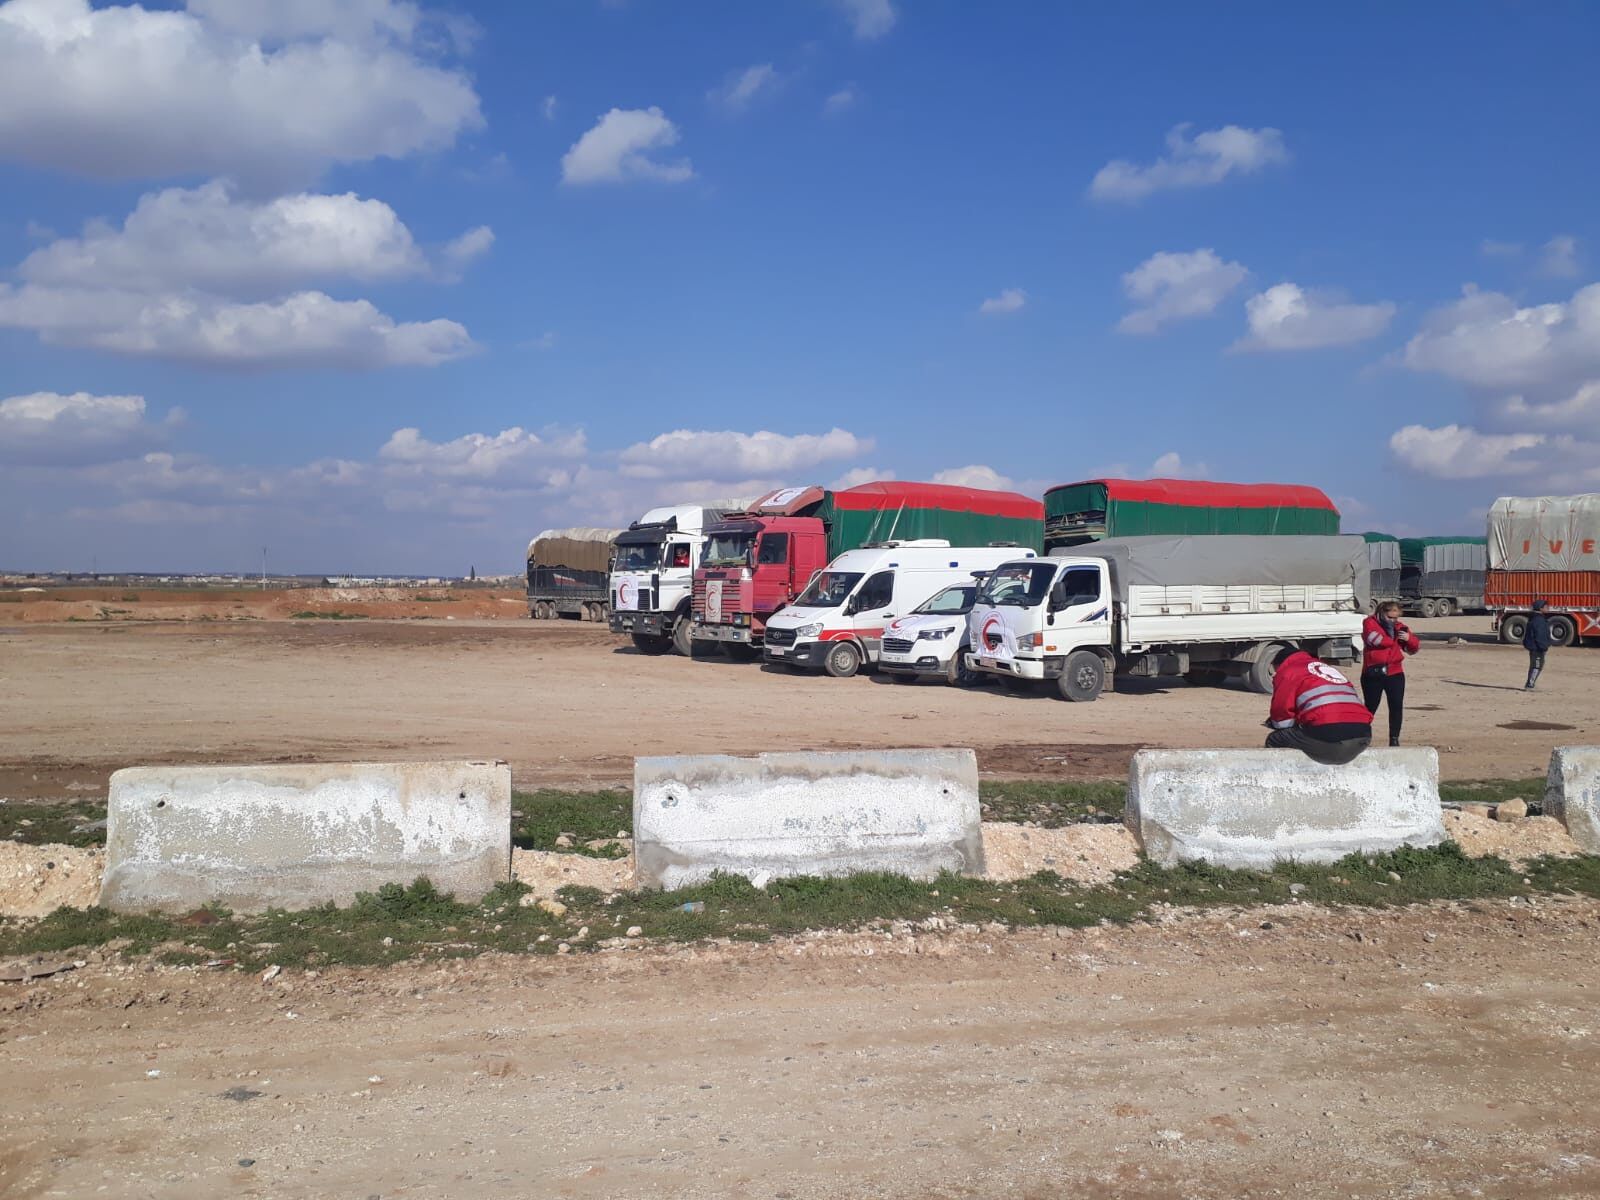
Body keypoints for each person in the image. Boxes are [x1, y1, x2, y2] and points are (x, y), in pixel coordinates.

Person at [1264, 646, 1374, 764]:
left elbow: (1282, 716)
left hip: (1331, 734)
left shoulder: (1287, 672)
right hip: (1364, 734)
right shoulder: (1326, 668)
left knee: (1276, 739)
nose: (1275, 673)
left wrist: (1277, 724)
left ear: (1280, 664)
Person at [1361, 601, 1418, 747]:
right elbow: (1376, 640)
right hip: (1373, 673)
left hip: (1395, 673)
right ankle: (1362, 737)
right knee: (1370, 707)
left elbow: (1413, 648)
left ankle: (1394, 739)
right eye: (1389, 617)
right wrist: (1395, 640)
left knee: (1396, 706)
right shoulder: (1369, 623)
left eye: (1395, 618)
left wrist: (1408, 639)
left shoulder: (1400, 628)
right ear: (1381, 613)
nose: (1393, 621)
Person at [1524, 600, 1552, 690]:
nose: (1548, 608)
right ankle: (1530, 685)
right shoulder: (1539, 620)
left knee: (1535, 665)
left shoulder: (1536, 618)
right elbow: (1540, 635)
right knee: (1537, 666)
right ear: (1540, 608)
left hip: (1535, 647)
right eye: (1546, 607)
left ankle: (1530, 683)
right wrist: (1544, 646)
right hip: (1537, 648)